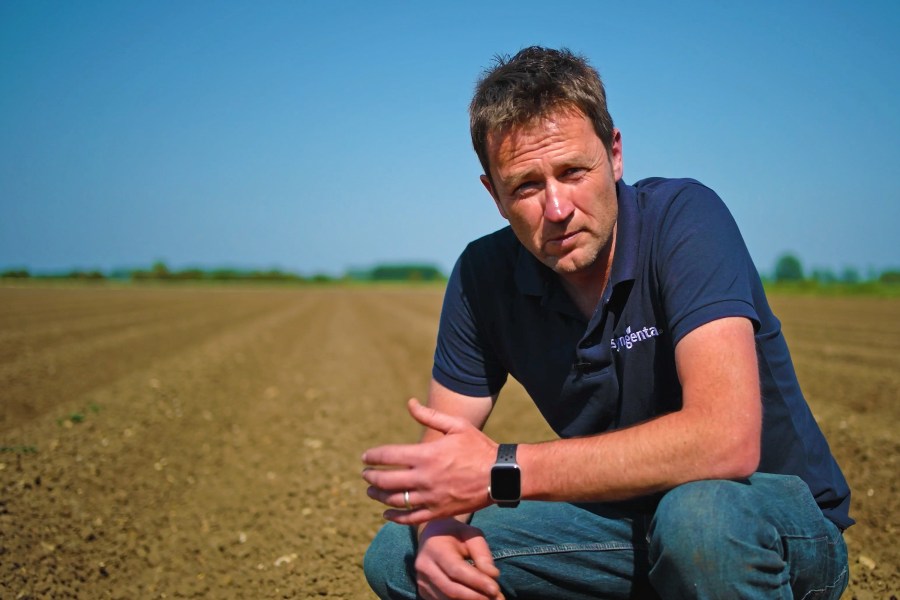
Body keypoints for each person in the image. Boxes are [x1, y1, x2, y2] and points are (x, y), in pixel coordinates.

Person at [361, 46, 852, 600]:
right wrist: (439, 528)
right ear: (493, 195)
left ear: (615, 155)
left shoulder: (685, 219)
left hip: (765, 527)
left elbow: (725, 442)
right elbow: (440, 459)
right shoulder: (483, 276)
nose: (556, 208)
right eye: (525, 185)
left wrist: (502, 470)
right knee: (402, 558)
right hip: (620, 533)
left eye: (573, 172)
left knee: (699, 518)